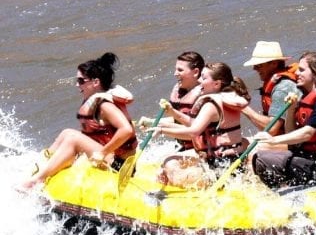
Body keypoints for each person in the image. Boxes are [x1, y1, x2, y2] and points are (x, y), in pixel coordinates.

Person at [18, 52, 137, 191]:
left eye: (81, 81)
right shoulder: (97, 102)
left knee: (73, 138)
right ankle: (39, 168)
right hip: (111, 159)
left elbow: (127, 130)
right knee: (67, 133)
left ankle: (37, 181)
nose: (77, 85)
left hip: (121, 167)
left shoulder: (105, 105)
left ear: (95, 82)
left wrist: (103, 153)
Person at [251, 51, 316, 187]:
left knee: (262, 159)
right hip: (310, 158)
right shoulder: (305, 97)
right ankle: (282, 193)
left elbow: (307, 133)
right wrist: (292, 109)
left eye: (302, 70)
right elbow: (291, 133)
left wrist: (273, 140)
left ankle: (293, 193)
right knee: (260, 158)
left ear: (315, 73)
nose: (297, 73)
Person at [156, 62, 250, 186]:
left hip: (219, 169)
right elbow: (195, 124)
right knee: (169, 163)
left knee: (170, 166)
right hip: (231, 164)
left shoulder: (211, 105)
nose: (200, 81)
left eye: (204, 78)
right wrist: (173, 113)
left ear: (217, 84)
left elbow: (193, 132)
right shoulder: (225, 99)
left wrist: (161, 130)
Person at [241, 41, 301, 136]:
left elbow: (272, 129)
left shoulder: (282, 88)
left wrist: (241, 106)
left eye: (259, 65)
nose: (254, 68)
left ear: (274, 64)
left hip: (297, 143)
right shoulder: (278, 83)